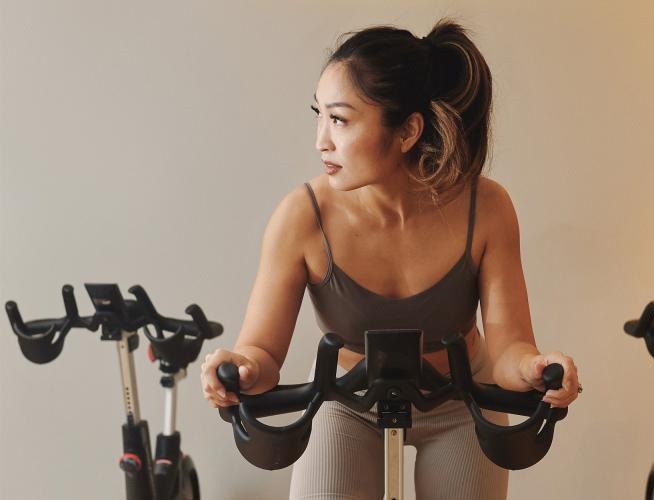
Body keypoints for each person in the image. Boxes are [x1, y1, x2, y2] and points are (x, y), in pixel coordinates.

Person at [201, 18, 581, 500]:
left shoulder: (486, 207)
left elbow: (509, 349)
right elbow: (263, 354)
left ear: (407, 131)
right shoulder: (302, 216)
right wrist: (242, 368)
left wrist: (534, 368)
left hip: (460, 402)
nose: (321, 140)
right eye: (318, 115)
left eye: (339, 119)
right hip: (348, 403)